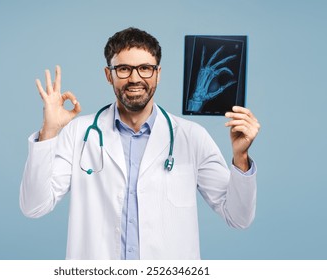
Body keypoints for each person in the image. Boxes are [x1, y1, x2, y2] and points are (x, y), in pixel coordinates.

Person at [20, 27, 260, 260]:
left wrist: (241, 159)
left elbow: (238, 218)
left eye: (145, 68)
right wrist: (49, 131)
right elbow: (34, 206)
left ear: (158, 73)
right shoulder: (78, 133)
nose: (135, 78)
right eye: (123, 69)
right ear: (109, 75)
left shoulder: (192, 137)